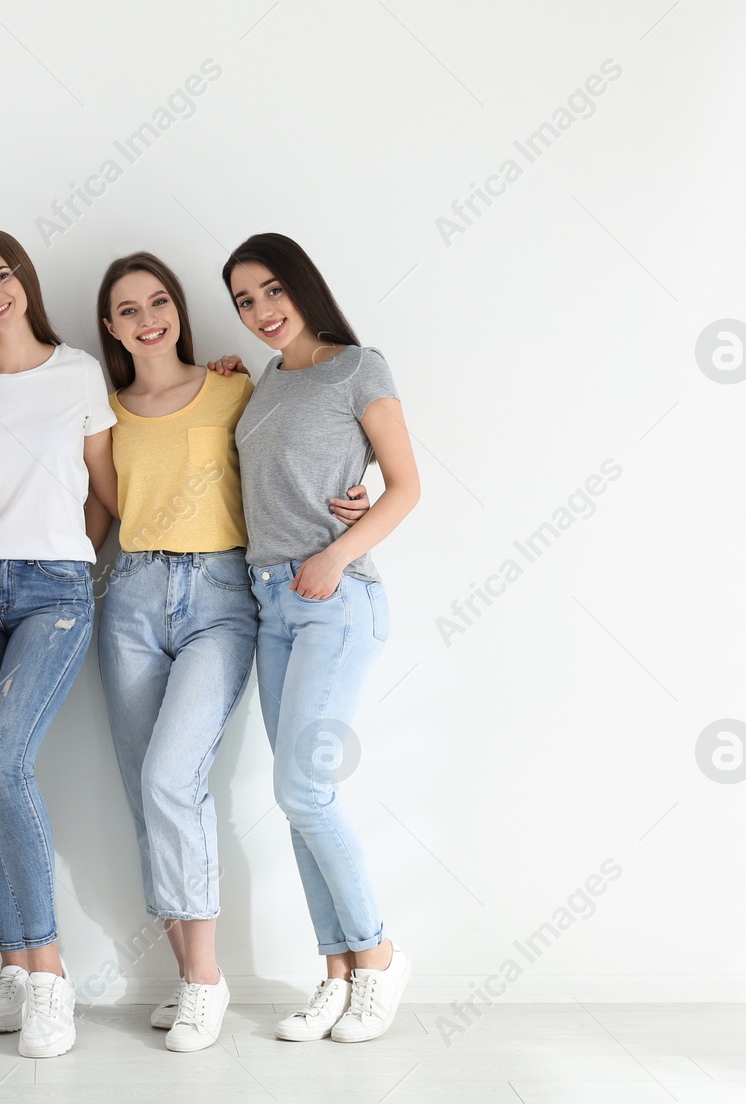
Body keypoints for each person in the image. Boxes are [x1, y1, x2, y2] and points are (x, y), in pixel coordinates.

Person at [92, 251, 370, 1052]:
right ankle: (189, 980)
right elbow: (111, 511)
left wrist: (368, 486)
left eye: (159, 302)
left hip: (222, 599)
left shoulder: (236, 386)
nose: (148, 319)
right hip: (133, 597)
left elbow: (304, 443)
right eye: (128, 310)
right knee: (146, 793)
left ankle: (208, 985)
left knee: (171, 776)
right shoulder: (105, 413)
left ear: (178, 308)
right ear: (110, 327)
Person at [222, 232, 421, 1043]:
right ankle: (336, 975)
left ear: (302, 286)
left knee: (302, 793)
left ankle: (376, 956)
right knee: (306, 801)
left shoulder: (358, 366)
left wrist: (337, 556)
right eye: (244, 302)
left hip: (334, 600)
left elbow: (405, 486)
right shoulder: (264, 380)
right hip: (271, 602)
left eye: (273, 291)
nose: (262, 312)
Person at [0, 228, 117, 1059]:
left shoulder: (78, 371)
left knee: (7, 760)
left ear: (24, 282)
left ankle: (50, 977)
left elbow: (105, 494)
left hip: (55, 590)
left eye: (0, 277)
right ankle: (12, 963)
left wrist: (68, 563)